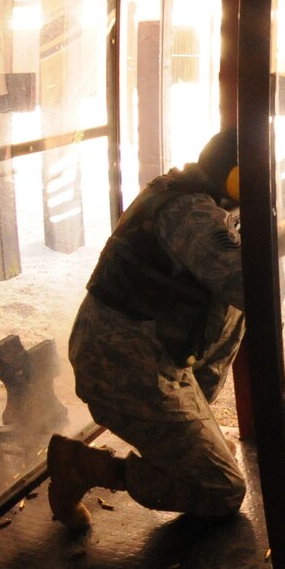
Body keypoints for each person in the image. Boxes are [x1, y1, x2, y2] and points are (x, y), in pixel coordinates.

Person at [49, 128, 248, 529]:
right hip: (122, 368)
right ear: (235, 177)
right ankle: (84, 467)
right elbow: (253, 287)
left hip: (143, 357)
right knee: (223, 490)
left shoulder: (186, 192)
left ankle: (185, 447)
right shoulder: (192, 214)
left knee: (210, 457)